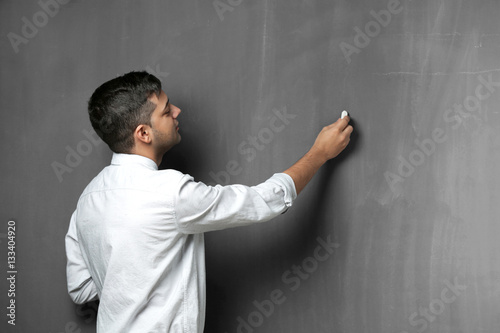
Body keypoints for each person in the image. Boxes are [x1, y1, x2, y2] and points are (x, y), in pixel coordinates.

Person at [65, 71, 353, 332]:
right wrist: (320, 153)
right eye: (166, 111)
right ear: (143, 133)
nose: (177, 111)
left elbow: (80, 289)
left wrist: (130, 280)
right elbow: (263, 201)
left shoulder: (87, 200)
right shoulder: (169, 193)